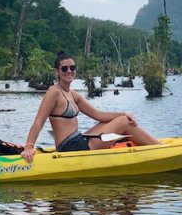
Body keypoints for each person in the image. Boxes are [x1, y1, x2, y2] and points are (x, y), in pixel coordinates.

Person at [21, 51, 161, 163]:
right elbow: (39, 122)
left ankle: (151, 144)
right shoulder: (54, 92)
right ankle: (160, 149)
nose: (69, 71)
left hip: (78, 140)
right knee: (124, 122)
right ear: (57, 72)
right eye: (64, 68)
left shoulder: (73, 94)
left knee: (122, 119)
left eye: (72, 68)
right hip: (70, 148)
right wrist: (28, 147)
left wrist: (124, 113)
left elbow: (99, 115)